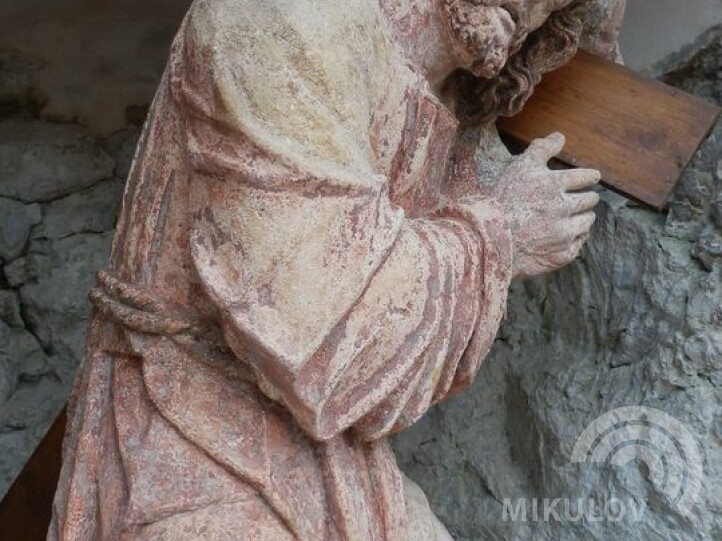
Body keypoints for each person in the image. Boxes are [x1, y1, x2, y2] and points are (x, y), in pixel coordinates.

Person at [49, 1, 626, 540]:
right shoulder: (285, 19)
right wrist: (499, 234)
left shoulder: (455, 98)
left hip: (329, 455)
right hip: (187, 429)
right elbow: (318, 324)